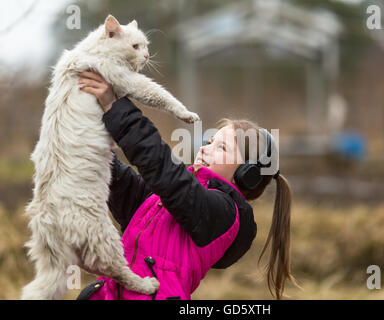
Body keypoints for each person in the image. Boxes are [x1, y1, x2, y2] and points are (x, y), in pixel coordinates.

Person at [76, 71, 297, 300]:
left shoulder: (224, 213)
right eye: (209, 142)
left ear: (245, 174)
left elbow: (162, 169)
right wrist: (89, 144)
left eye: (221, 148)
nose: (204, 149)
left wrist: (116, 107)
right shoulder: (168, 198)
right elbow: (124, 186)